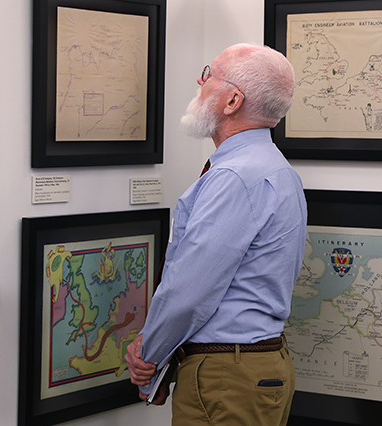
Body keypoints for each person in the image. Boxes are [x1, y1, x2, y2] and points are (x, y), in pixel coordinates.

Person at [125, 43, 307, 426]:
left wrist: (148, 355)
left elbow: (190, 289)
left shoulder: (234, 177)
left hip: (226, 378)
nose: (199, 80)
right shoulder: (276, 169)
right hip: (253, 369)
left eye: (209, 74)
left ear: (232, 100)